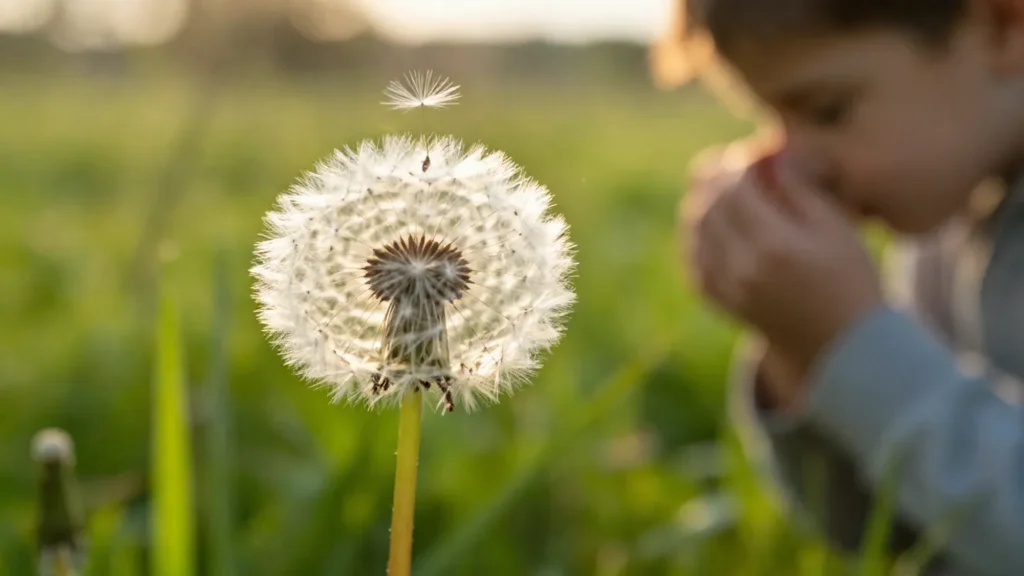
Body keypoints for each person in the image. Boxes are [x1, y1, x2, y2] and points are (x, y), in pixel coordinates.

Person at [655, 0, 1024, 574]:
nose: (797, 165)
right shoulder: (942, 236)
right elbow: (887, 527)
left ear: (1004, 28)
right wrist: (803, 349)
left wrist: (856, 345)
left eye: (829, 111)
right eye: (773, 120)